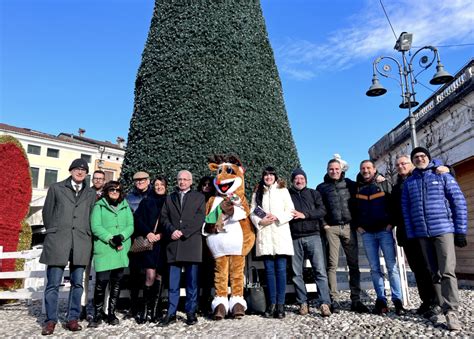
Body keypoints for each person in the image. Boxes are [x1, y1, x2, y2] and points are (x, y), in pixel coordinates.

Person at [402, 147, 468, 331]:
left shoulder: (442, 175)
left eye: (423, 156)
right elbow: (406, 211)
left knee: (447, 271)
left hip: (443, 230)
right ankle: (440, 304)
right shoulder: (409, 183)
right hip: (423, 234)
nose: (420, 159)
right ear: (413, 160)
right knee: (433, 271)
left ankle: (451, 311)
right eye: (416, 157)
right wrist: (412, 234)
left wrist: (460, 230)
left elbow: (458, 201)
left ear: (429, 158)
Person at [39, 158, 96, 335]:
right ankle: (50, 320)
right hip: (58, 241)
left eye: (83, 170)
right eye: (77, 169)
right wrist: (54, 230)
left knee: (77, 283)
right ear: (71, 171)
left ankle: (73, 318)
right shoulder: (56, 188)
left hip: (81, 241)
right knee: (53, 284)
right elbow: (47, 213)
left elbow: (92, 215)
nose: (80, 172)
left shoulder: (91, 193)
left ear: (86, 174)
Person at [392, 155, 445, 317]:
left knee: (430, 267)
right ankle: (426, 301)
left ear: (411, 164)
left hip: (422, 230)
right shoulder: (396, 187)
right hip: (406, 233)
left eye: (404, 163)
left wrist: (444, 167)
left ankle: (438, 302)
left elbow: (441, 169)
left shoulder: (423, 176)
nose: (401, 166)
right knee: (417, 269)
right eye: (398, 165)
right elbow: (395, 211)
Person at [316, 160, 370, 314]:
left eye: (337, 169)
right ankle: (333, 299)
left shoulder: (349, 184)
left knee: (353, 264)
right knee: (332, 265)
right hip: (331, 228)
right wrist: (324, 224)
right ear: (327, 170)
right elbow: (318, 206)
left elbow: (365, 179)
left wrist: (378, 176)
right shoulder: (321, 187)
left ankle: (356, 299)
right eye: (331, 169)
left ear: (341, 170)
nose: (334, 171)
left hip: (348, 227)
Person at [354, 160, 405, 316]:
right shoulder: (356, 187)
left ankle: (398, 300)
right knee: (374, 268)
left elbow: (394, 205)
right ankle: (381, 299)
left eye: (368, 167)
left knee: (392, 266)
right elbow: (352, 208)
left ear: (374, 169)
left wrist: (391, 223)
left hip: (384, 231)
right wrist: (358, 227)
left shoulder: (384, 183)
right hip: (367, 233)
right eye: (363, 168)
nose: (366, 170)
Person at [159, 170, 206, 327]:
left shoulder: (199, 197)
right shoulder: (169, 198)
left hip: (191, 243)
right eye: (180, 179)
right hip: (174, 244)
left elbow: (199, 218)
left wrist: (183, 232)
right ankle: (171, 313)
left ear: (191, 181)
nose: (182, 182)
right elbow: (163, 217)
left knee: (192, 282)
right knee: (173, 283)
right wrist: (172, 230)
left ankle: (191, 312)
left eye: (186, 179)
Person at [250, 167, 294, 319]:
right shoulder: (258, 192)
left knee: (281, 271)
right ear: (263, 177)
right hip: (265, 235)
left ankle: (280, 305)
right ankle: (272, 304)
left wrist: (277, 217)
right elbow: (253, 210)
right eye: (266, 175)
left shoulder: (283, 191)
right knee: (269, 272)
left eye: (271, 175)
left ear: (275, 177)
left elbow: (290, 210)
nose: (268, 177)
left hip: (280, 233)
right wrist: (261, 220)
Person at [88, 181, 134, 327]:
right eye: (112, 189)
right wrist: (110, 238)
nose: (115, 192)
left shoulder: (125, 206)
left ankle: (111, 312)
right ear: (107, 191)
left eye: (118, 190)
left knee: (116, 283)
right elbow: (95, 226)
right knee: (101, 283)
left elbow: (130, 225)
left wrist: (121, 236)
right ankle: (97, 314)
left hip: (120, 249)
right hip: (105, 249)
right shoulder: (99, 206)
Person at [289, 168, 332, 317]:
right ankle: (302, 302)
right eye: (296, 179)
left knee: (320, 270)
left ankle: (324, 303)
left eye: (301, 178)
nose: (299, 181)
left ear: (306, 180)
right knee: (296, 273)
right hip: (294, 237)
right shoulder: (287, 195)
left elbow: (322, 211)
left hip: (313, 235)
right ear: (292, 180)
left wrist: (305, 215)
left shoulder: (314, 193)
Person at [133, 177, 168, 323]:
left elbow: (173, 221)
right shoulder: (147, 201)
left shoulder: (169, 201)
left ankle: (155, 310)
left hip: (163, 243)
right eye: (156, 185)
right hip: (149, 242)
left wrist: (161, 234)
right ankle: (146, 310)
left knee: (159, 276)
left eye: (162, 184)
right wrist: (148, 233)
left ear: (166, 186)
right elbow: (137, 219)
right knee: (150, 275)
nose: (159, 187)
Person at [80, 169, 107, 321]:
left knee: (102, 276)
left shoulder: (109, 194)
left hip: (103, 240)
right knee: (84, 274)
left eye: (100, 178)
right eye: (95, 178)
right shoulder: (86, 193)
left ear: (104, 180)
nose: (98, 181)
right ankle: (82, 306)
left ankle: (102, 307)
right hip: (87, 238)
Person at [124, 171, 152, 320]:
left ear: (148, 180)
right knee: (134, 275)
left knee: (151, 274)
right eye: (137, 180)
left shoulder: (155, 195)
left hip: (152, 239)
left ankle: (150, 307)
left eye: (143, 180)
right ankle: (133, 307)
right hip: (135, 239)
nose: (140, 182)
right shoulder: (129, 197)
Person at [197, 175, 216, 315]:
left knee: (209, 273)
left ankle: (206, 301)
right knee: (197, 273)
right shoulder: (197, 199)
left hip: (211, 238)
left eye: (209, 184)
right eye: (204, 184)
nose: (207, 186)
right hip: (198, 239)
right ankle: (197, 302)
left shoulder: (215, 200)